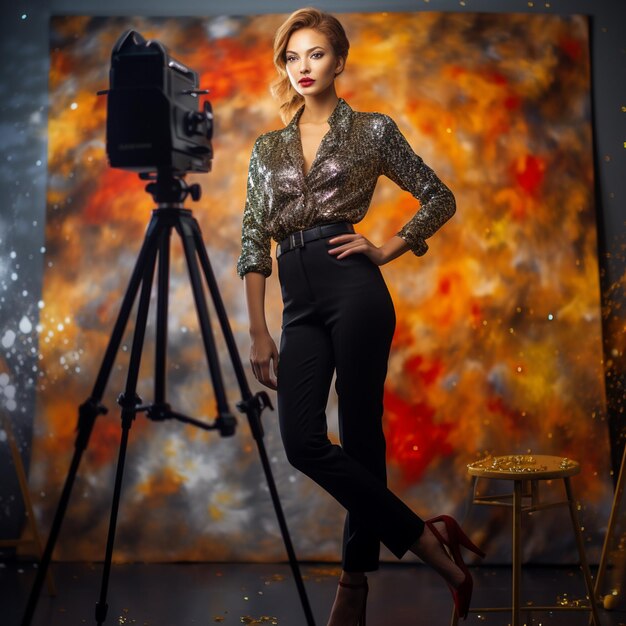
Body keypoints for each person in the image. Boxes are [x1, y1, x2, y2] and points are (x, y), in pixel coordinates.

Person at [236, 7, 484, 625]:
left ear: (339, 60)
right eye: (292, 57)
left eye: (315, 54)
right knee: (302, 441)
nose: (303, 67)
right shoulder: (267, 149)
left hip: (354, 287)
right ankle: (429, 541)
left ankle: (354, 587)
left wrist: (387, 248)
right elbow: (251, 241)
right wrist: (260, 330)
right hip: (296, 302)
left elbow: (438, 196)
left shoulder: (372, 131)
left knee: (363, 435)